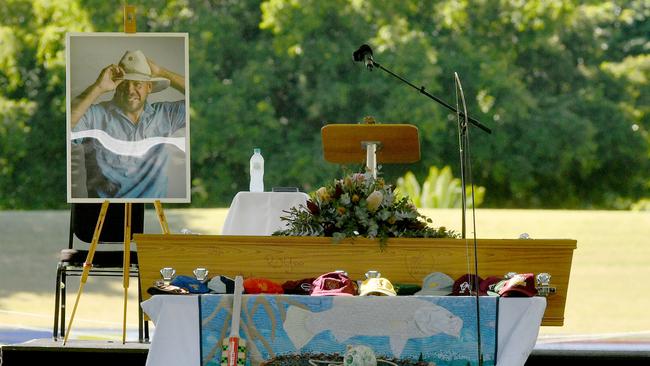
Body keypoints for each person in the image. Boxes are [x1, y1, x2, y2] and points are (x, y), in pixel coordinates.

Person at [71, 49, 186, 198]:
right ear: (116, 86)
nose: (130, 90)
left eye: (138, 84)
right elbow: (66, 126)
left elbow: (201, 96)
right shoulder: (95, 115)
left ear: (149, 87)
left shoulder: (166, 115)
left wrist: (162, 72)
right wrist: (98, 87)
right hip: (103, 211)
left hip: (150, 209)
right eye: (124, 84)